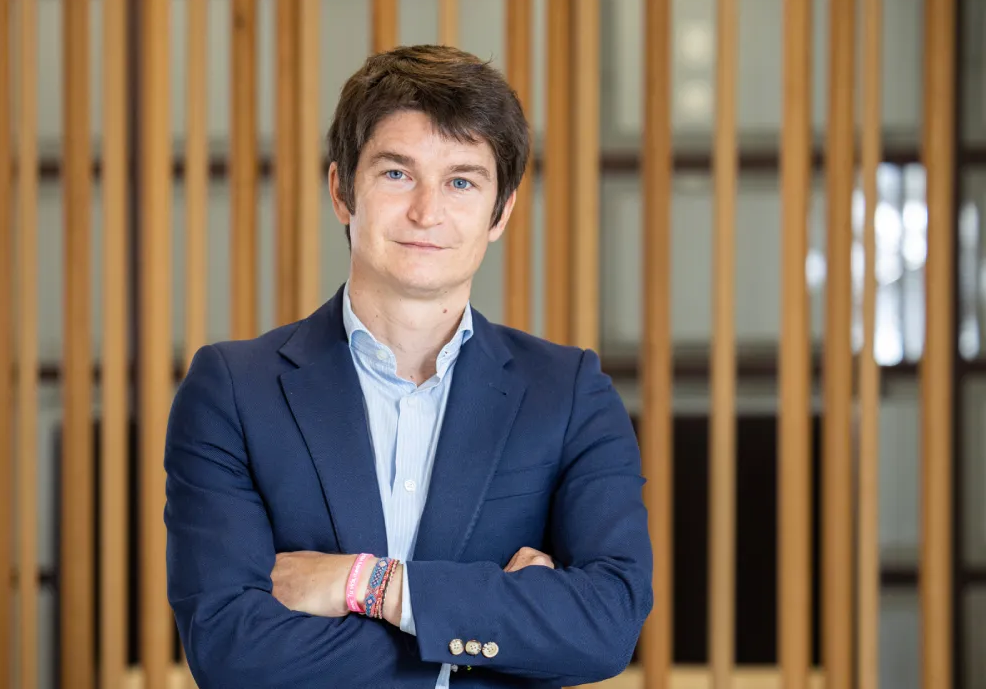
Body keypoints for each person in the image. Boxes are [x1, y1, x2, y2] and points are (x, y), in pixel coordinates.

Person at [164, 44, 652, 688]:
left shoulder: (568, 394)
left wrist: (368, 584)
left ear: (500, 212)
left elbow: (608, 623)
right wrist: (489, 632)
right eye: (397, 174)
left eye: (461, 181)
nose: (427, 212)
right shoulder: (232, 391)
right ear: (342, 191)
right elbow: (230, 649)